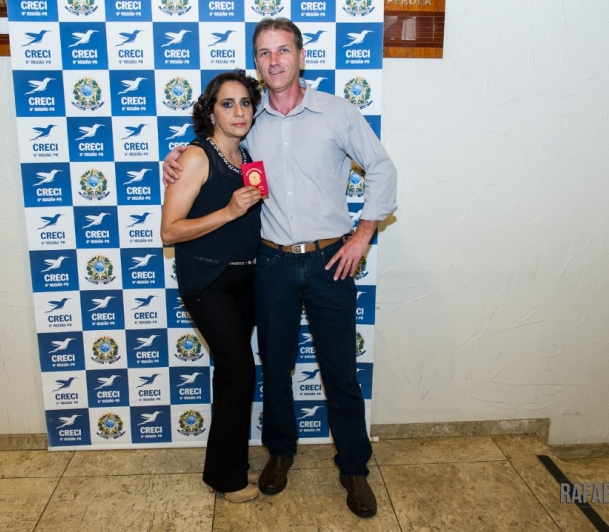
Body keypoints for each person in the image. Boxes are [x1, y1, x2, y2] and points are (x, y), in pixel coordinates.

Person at [163, 18, 397, 518]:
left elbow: (381, 167)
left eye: (283, 50)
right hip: (270, 263)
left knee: (340, 370)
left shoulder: (337, 111)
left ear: (301, 55)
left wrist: (363, 234)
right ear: (257, 61)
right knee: (275, 368)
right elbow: (214, 149)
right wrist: (176, 157)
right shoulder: (250, 120)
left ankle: (353, 466)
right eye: (264, 53)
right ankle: (280, 452)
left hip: (330, 260)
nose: (274, 61)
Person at [159, 70, 263, 503]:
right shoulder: (197, 157)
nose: (238, 112)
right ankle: (229, 479)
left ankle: (227, 463)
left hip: (248, 280)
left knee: (231, 374)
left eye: (245, 102)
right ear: (211, 112)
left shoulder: (247, 156)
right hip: (209, 282)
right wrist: (228, 211)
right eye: (227, 103)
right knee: (239, 370)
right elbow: (169, 231)